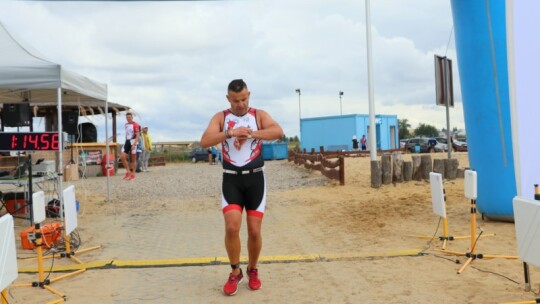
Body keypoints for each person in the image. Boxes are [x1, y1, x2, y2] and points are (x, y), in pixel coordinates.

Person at [200, 79, 284, 296]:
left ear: (249, 95)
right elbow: (205, 141)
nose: (240, 103)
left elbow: (277, 131)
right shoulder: (221, 117)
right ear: (228, 99)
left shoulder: (258, 115)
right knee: (231, 227)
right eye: (236, 100)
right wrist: (230, 133)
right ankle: (235, 271)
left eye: (244, 98)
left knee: (255, 231)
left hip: (255, 179)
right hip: (231, 180)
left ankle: (253, 269)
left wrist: (251, 133)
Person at [120, 112, 140, 181]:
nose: (128, 118)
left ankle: (133, 174)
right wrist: (126, 142)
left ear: (132, 117)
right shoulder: (126, 124)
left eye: (129, 117)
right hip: (127, 141)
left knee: (133, 159)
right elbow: (127, 134)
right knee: (122, 157)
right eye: (127, 117)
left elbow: (138, 136)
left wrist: (134, 144)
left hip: (133, 141)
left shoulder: (136, 125)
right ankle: (128, 172)